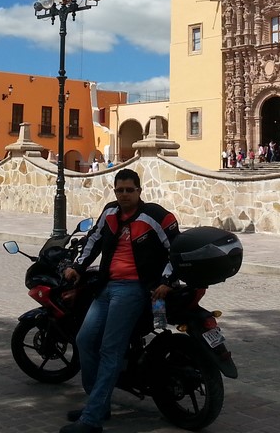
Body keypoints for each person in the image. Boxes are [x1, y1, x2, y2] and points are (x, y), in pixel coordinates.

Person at [59, 169, 180, 433]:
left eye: (129, 190)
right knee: (84, 340)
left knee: (109, 349)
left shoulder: (155, 216)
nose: (124, 195)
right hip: (106, 287)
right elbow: (93, 240)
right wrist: (78, 267)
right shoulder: (111, 212)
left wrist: (167, 281)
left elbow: (176, 250)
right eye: (119, 190)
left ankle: (91, 419)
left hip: (134, 289)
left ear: (139, 191)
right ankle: (98, 404)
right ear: (115, 191)